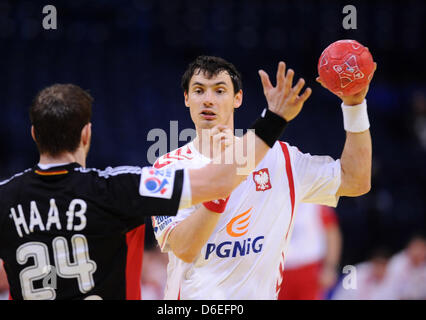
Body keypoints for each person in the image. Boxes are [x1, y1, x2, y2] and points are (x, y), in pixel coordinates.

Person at [0, 83, 288, 300]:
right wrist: (273, 120)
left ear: (34, 134)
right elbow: (216, 183)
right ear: (87, 134)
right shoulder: (120, 187)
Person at [152, 55, 374, 299]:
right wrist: (225, 177)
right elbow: (184, 248)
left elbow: (355, 181)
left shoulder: (280, 159)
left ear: (238, 98)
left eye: (219, 90)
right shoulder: (166, 169)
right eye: (198, 90)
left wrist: (355, 106)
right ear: (187, 99)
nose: (208, 100)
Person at [278, 203, 342, 300]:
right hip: (279, 271)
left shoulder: (315, 201)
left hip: (309, 270)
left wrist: (330, 267)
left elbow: (332, 233)